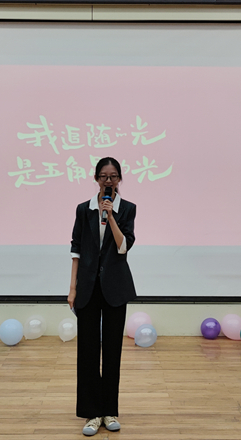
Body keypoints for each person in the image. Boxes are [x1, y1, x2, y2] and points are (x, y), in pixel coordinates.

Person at [68, 157, 137, 436]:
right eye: (104, 176)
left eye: (114, 176)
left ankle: (109, 411)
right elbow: (76, 249)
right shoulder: (83, 209)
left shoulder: (127, 209)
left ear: (119, 179)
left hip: (115, 287)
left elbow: (123, 246)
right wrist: (72, 288)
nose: (109, 181)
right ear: (96, 178)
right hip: (87, 287)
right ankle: (92, 413)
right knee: (87, 351)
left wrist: (111, 217)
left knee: (112, 350)